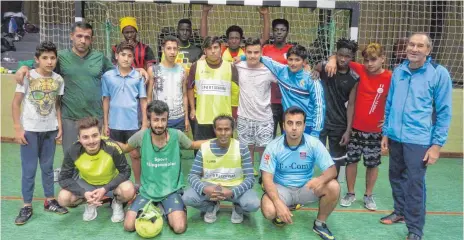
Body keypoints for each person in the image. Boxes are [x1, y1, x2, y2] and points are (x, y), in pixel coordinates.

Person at [14, 21, 148, 155]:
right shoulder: (61, 57)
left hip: (95, 117)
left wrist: (138, 70)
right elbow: (40, 64)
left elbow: (120, 70)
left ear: (92, 39)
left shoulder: (99, 58)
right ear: (71, 36)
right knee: (71, 156)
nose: (83, 40)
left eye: (87, 37)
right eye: (79, 36)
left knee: (94, 157)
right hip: (70, 117)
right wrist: (24, 67)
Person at [381, 33, 452, 240]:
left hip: (419, 140)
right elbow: (390, 103)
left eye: (420, 46)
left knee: (414, 183)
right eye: (411, 44)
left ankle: (415, 229)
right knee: (395, 177)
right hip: (395, 136)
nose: (414, 49)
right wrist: (386, 132)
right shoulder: (399, 71)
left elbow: (444, 112)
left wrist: (436, 145)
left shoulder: (439, 74)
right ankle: (400, 212)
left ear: (428, 50)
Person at [118, 100, 206, 234]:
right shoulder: (141, 136)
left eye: (163, 120)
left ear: (167, 120)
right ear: (149, 120)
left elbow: (193, 145)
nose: (159, 124)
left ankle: (169, 208)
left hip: (171, 190)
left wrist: (218, 140)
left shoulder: (177, 135)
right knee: (129, 226)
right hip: (147, 191)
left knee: (179, 228)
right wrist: (102, 141)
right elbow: (124, 148)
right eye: (156, 120)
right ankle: (159, 207)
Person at [325, 42, 392, 211]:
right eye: (367, 60)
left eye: (374, 60)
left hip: (376, 131)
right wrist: (332, 59)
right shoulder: (360, 70)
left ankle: (368, 195)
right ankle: (350, 193)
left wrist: (388, 122)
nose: (369, 64)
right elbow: (341, 58)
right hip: (355, 128)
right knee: (352, 162)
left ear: (382, 59)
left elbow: (394, 102)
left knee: (372, 164)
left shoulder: (390, 78)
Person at [260, 106, 339, 240]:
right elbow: (266, 178)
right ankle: (284, 207)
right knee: (269, 211)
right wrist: (278, 203)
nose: (294, 128)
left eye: (298, 123)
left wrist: (319, 180)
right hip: (282, 189)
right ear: (283, 126)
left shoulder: (314, 143)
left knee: (333, 186)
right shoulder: (273, 146)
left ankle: (320, 224)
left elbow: (332, 170)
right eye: (290, 123)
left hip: (306, 188)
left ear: (304, 125)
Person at [12, 41, 68, 225]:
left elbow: (57, 104)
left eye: (52, 58)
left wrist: (59, 125)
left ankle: (50, 200)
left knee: (48, 167)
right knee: (29, 169)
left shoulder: (59, 79)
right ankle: (27, 205)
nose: (49, 61)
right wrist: (18, 128)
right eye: (45, 58)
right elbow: (15, 103)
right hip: (30, 130)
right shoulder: (27, 76)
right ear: (37, 59)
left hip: (49, 130)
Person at [183, 115, 260, 224]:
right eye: (219, 129)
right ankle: (211, 207)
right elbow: (192, 175)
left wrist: (232, 192)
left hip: (235, 188)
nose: (223, 133)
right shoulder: (204, 147)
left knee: (253, 204)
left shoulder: (242, 148)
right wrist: (205, 189)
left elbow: (250, 179)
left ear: (232, 130)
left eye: (227, 129)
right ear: (214, 130)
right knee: (187, 198)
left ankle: (238, 208)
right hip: (211, 189)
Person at [57, 117, 135, 222]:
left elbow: (125, 171)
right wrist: (83, 192)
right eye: (85, 137)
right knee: (63, 198)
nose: (91, 141)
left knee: (128, 190)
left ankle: (117, 202)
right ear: (79, 138)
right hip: (88, 185)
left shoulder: (112, 147)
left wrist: (105, 188)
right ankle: (89, 202)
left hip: (111, 184)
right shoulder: (73, 151)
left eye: (95, 135)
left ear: (100, 135)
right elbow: (64, 178)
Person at [200, 5, 270, 120]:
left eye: (236, 38)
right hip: (223, 98)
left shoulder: (246, 53)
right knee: (225, 130)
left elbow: (264, 39)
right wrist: (205, 12)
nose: (233, 40)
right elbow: (205, 38)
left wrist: (265, 15)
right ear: (227, 39)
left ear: (241, 39)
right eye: (231, 38)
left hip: (242, 100)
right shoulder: (221, 50)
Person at [239, 44, 325, 138]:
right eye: (290, 59)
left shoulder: (312, 79)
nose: (293, 63)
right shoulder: (281, 71)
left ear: (304, 62)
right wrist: (243, 57)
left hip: (307, 125)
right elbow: (266, 60)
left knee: (304, 153)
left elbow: (320, 106)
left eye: (297, 60)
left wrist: (316, 132)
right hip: (289, 123)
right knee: (289, 151)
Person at [103, 41, 148, 187]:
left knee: (135, 154)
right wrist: (105, 123)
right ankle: (115, 186)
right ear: (116, 56)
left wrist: (145, 125)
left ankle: (138, 184)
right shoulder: (108, 76)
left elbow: (143, 101)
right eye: (123, 55)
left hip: (133, 124)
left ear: (133, 58)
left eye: (129, 56)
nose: (126, 58)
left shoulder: (138, 76)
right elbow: (106, 100)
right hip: (114, 123)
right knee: (113, 155)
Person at [313, 38, 359, 179]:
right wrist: (315, 70)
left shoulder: (354, 78)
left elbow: (351, 105)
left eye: (347, 56)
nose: (343, 59)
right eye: (340, 55)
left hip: (339, 123)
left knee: (336, 159)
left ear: (352, 57)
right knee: (313, 154)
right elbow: (315, 67)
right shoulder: (326, 67)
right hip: (320, 121)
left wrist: (348, 130)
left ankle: (332, 185)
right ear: (336, 54)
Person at [235, 37, 277, 175]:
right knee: (247, 150)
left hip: (264, 118)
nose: (252, 56)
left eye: (256, 52)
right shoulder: (238, 66)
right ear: (245, 52)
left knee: (264, 150)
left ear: (261, 53)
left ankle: (265, 177)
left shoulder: (269, 70)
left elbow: (287, 74)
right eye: (249, 52)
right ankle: (248, 176)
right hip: (244, 117)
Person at [187, 36, 239, 141]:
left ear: (221, 49)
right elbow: (190, 88)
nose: (213, 51)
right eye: (209, 48)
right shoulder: (196, 66)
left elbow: (235, 92)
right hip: (202, 118)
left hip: (224, 120)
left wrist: (233, 114)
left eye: (215, 47)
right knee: (202, 153)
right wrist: (192, 108)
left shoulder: (230, 67)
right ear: (205, 50)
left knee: (224, 152)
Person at [148, 35, 190, 132]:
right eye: (169, 48)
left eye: (175, 49)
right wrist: (149, 118)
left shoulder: (182, 71)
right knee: (161, 146)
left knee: (176, 146)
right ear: (163, 49)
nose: (172, 52)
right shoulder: (153, 70)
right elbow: (149, 97)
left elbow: (184, 95)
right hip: (160, 118)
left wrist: (186, 118)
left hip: (179, 118)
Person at [262, 18, 293, 138]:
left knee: (289, 135)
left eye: (282, 30)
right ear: (272, 32)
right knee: (270, 137)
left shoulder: (292, 50)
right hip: (269, 101)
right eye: (276, 30)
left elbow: (304, 67)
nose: (279, 32)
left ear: (287, 32)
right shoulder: (265, 49)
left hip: (288, 100)